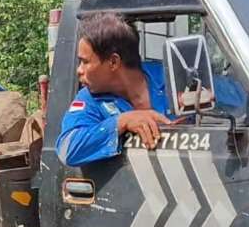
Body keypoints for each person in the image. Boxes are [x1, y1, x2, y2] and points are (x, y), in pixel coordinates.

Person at [56, 12, 171, 167]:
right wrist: (121, 122)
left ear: (113, 62)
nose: (79, 70)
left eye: (85, 62)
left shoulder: (171, 78)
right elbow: (67, 149)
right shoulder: (88, 99)